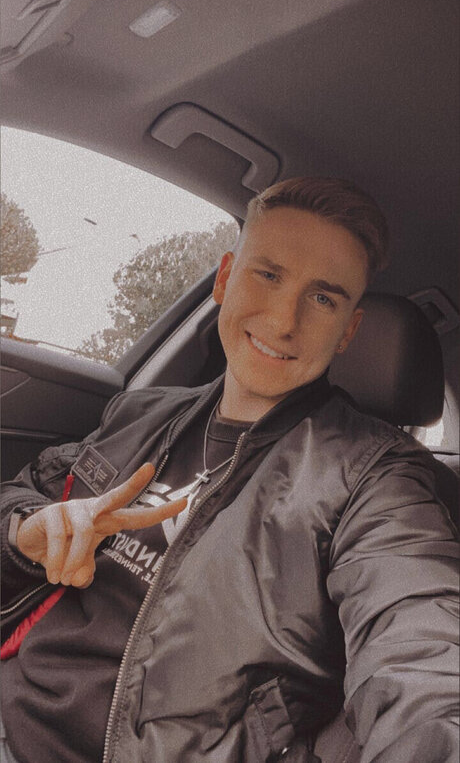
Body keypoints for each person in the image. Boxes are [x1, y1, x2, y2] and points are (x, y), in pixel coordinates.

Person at [1, 177, 458, 763]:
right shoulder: (139, 412)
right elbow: (21, 497)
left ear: (349, 330)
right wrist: (22, 535)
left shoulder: (376, 478)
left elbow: (422, 650)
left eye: (323, 299)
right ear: (224, 279)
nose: (284, 320)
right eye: (268, 274)